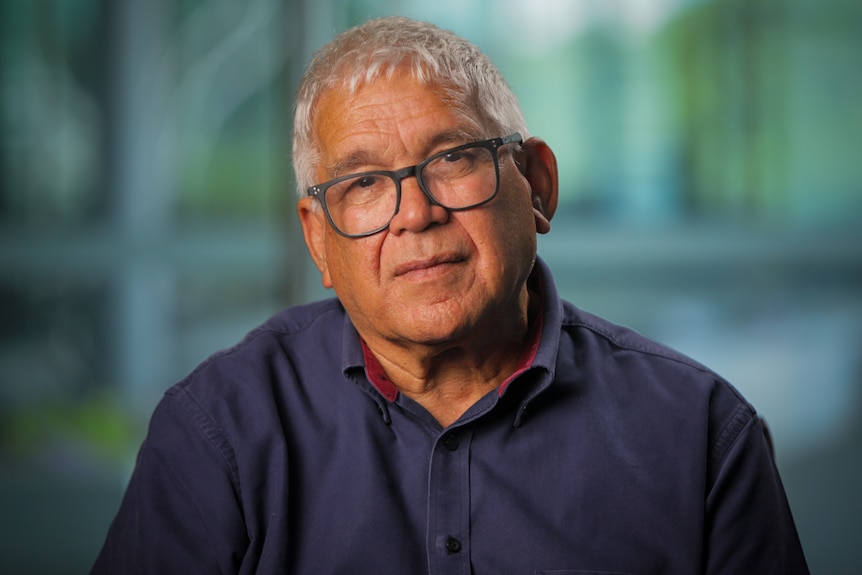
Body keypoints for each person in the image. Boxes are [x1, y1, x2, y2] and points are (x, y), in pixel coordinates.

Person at [92, 16, 809, 575]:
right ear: (318, 242)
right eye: (363, 182)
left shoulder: (703, 437)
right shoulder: (217, 432)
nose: (416, 212)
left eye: (454, 157)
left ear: (538, 186)